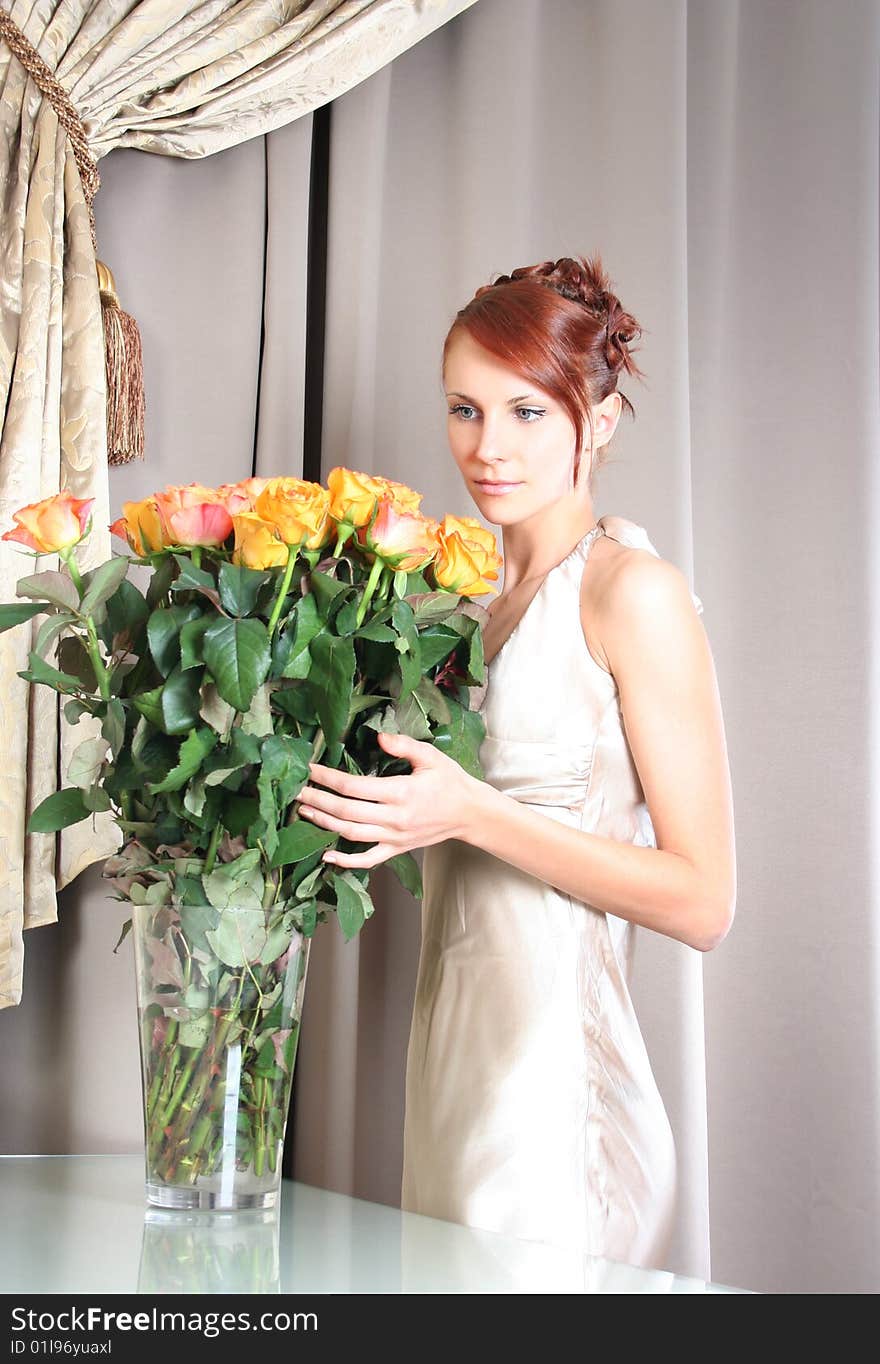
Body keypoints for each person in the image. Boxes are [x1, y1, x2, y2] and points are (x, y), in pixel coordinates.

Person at [294, 254, 736, 1271]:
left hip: (554, 1110)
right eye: (464, 409)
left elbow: (704, 900)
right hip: (450, 1080)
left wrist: (472, 812)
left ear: (603, 418)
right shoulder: (453, 604)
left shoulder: (634, 593)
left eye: (527, 412)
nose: (487, 447)